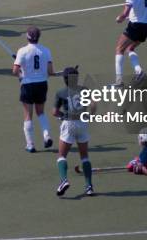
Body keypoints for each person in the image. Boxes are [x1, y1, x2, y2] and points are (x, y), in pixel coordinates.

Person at [52, 66, 96, 196]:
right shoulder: (84, 90)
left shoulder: (61, 93)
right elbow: (93, 104)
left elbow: (54, 112)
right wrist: (90, 115)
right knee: (84, 156)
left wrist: (62, 115)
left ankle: (64, 180)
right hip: (82, 123)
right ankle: (89, 187)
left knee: (61, 156)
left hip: (69, 123)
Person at [13, 26, 56, 153]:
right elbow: (50, 72)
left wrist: (21, 75)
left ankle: (30, 144)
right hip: (42, 84)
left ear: (27, 37)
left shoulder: (22, 51)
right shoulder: (46, 51)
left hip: (28, 85)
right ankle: (46, 135)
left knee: (28, 115)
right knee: (40, 112)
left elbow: (15, 71)